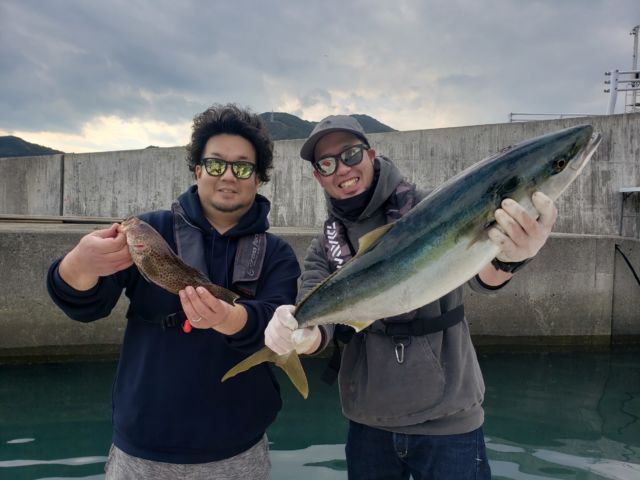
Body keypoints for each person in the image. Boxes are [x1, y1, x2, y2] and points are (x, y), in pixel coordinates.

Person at [264, 115, 558, 479]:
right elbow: (318, 324)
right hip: (369, 423)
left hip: (450, 420)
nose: (342, 169)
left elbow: (483, 278)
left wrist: (511, 259)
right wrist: (299, 334)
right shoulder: (325, 245)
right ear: (318, 176)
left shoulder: (431, 207)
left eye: (351, 154)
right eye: (327, 164)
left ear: (371, 154)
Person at [47, 104, 301, 479]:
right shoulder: (151, 230)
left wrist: (230, 318)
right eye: (215, 164)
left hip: (237, 453)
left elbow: (278, 325)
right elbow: (88, 305)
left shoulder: (277, 254)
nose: (227, 175)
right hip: (141, 453)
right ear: (198, 170)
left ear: (258, 178)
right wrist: (79, 265)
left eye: (242, 167)